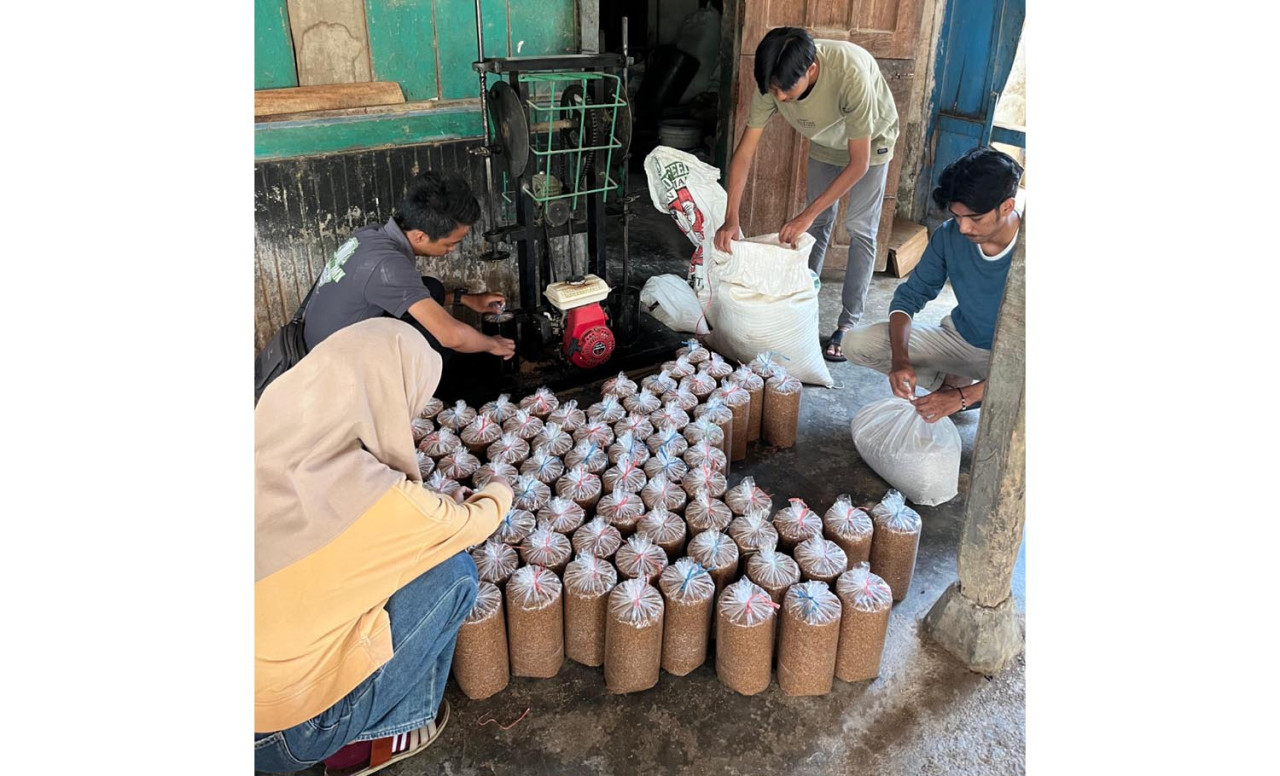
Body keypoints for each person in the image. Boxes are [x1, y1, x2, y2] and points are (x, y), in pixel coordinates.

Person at [254, 318, 513, 775]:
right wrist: (500, 488)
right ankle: (378, 739)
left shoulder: (262, 438)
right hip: (280, 736)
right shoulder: (385, 501)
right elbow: (475, 522)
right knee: (451, 575)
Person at [713, 27, 899, 362]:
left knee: (860, 229)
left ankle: (847, 323)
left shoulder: (849, 72)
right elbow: (744, 154)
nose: (780, 97)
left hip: (871, 144)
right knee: (816, 226)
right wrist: (731, 217)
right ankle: (801, 300)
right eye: (773, 90)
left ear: (811, 69)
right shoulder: (773, 83)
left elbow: (859, 164)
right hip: (828, 143)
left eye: (786, 90)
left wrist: (806, 213)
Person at [843, 147, 1023, 423]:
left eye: (974, 218)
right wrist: (900, 360)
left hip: (1015, 360)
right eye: (956, 216)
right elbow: (908, 298)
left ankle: (968, 394)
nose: (963, 228)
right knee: (856, 343)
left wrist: (962, 398)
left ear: (1007, 206)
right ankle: (955, 387)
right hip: (961, 341)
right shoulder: (949, 235)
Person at [302, 171, 516, 364]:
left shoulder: (374, 234)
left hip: (328, 341)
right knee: (434, 341)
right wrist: (493, 344)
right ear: (420, 236)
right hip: (333, 365)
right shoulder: (387, 266)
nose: (451, 250)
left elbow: (401, 294)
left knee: (432, 289)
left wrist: (466, 299)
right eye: (450, 243)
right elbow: (452, 335)